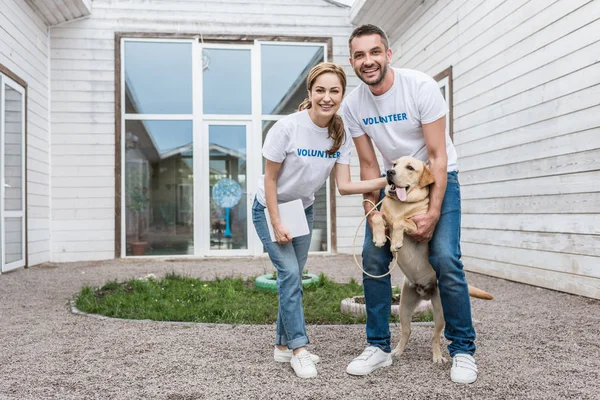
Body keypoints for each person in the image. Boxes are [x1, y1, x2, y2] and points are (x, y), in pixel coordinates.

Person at [341, 24, 479, 384]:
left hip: (435, 178)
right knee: (373, 257)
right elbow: (370, 166)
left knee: (446, 257)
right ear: (352, 61)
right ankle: (378, 347)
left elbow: (438, 156)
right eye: (359, 55)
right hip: (395, 187)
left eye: (374, 52)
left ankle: (462, 349)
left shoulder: (420, 87)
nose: (367, 61)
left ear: (388, 54)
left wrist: (433, 212)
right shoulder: (354, 104)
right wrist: (372, 213)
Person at [252, 62, 387, 379]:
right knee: (288, 275)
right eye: (320, 90)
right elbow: (270, 180)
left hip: (302, 209)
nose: (327, 97)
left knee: (294, 277)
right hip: (269, 207)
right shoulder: (287, 128)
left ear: (342, 94)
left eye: (334, 91)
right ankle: (300, 350)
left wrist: (386, 182)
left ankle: (282, 347)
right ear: (310, 93)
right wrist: (276, 222)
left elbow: (345, 186)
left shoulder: (339, 135)